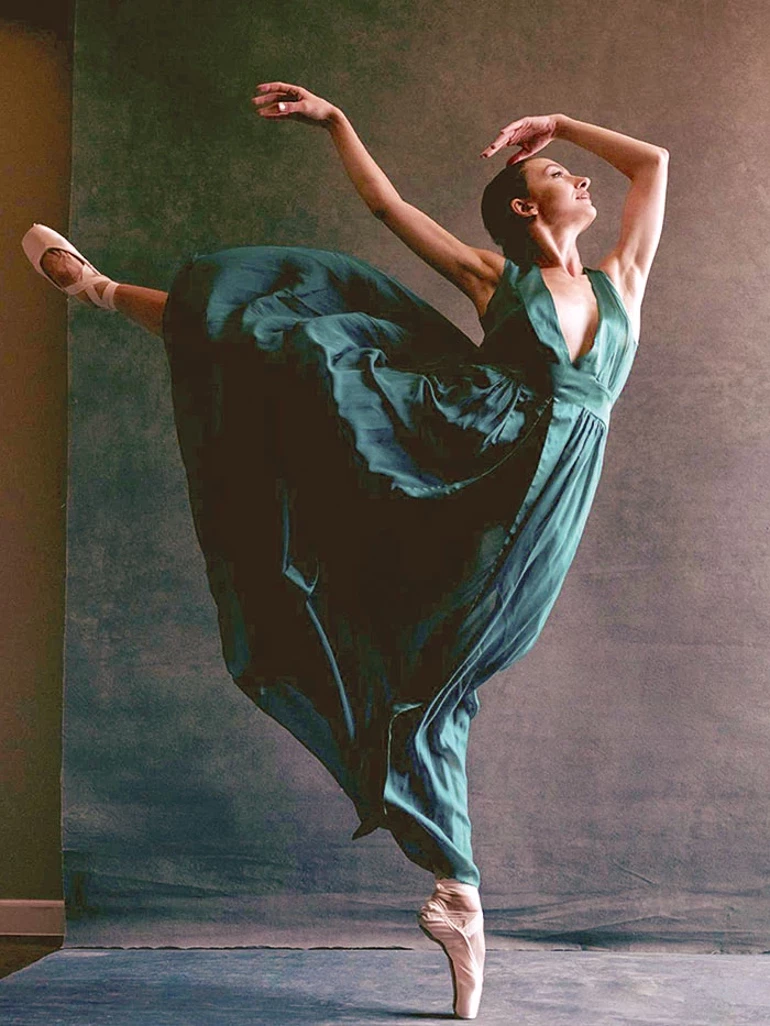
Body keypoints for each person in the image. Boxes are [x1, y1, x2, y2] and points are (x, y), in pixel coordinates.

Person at [22, 80, 668, 1020]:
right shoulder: (500, 280)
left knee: (442, 680)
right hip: (459, 448)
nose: (580, 179)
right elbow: (388, 207)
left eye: (568, 168)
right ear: (528, 208)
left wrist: (560, 122)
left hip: (547, 500)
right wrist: (335, 123)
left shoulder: (623, 281)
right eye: (561, 173)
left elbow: (652, 164)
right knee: (300, 343)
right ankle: (106, 290)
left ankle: (454, 887)